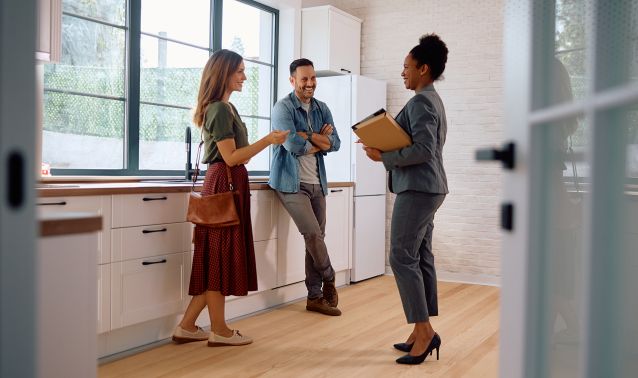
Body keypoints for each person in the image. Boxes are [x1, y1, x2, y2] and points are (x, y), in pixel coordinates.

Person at [172, 49, 289, 347]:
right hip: (224, 184)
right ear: (224, 73)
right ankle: (220, 330)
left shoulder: (224, 107)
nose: (244, 76)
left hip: (224, 184)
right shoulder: (221, 110)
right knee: (217, 259)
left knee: (214, 258)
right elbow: (231, 157)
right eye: (239, 71)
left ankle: (186, 326)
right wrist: (269, 140)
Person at [362, 34, 449, 364]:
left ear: (423, 69)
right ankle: (421, 331)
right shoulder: (432, 99)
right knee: (419, 254)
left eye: (406, 67)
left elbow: (424, 150)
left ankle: (424, 332)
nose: (402, 73)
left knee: (401, 256)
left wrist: (382, 156)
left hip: (419, 188)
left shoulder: (421, 102)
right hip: (429, 187)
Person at [268, 58, 342, 316]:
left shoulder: (322, 108)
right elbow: (292, 146)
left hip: (317, 182)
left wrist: (308, 135)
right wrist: (319, 141)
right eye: (304, 79)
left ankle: (315, 297)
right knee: (312, 234)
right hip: (290, 183)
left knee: (316, 239)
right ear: (292, 81)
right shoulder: (283, 108)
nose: (310, 84)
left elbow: (336, 143)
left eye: (312, 78)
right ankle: (330, 276)